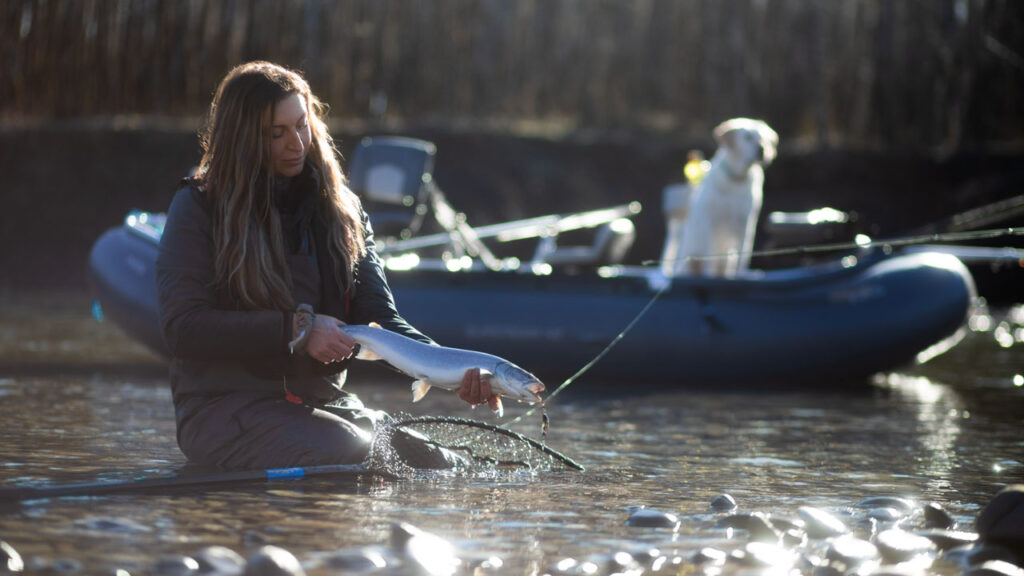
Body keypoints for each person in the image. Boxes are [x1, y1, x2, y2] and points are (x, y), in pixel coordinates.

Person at [156, 61, 497, 471]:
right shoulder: (197, 207)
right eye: (275, 133)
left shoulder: (343, 211)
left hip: (325, 405)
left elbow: (380, 321)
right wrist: (297, 329)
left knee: (446, 465)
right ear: (242, 139)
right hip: (223, 410)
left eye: (302, 125)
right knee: (353, 450)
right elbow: (184, 328)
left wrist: (452, 369)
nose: (296, 143)